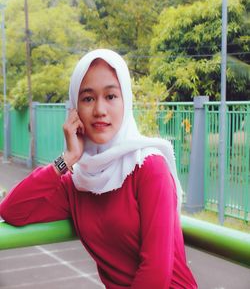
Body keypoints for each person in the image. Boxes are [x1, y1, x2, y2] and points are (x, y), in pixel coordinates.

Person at [0, 49, 197, 288]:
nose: (100, 110)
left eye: (111, 96)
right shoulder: (78, 183)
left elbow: (155, 273)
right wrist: (68, 158)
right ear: (75, 109)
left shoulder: (149, 167)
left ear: (126, 101)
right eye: (88, 98)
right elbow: (13, 210)